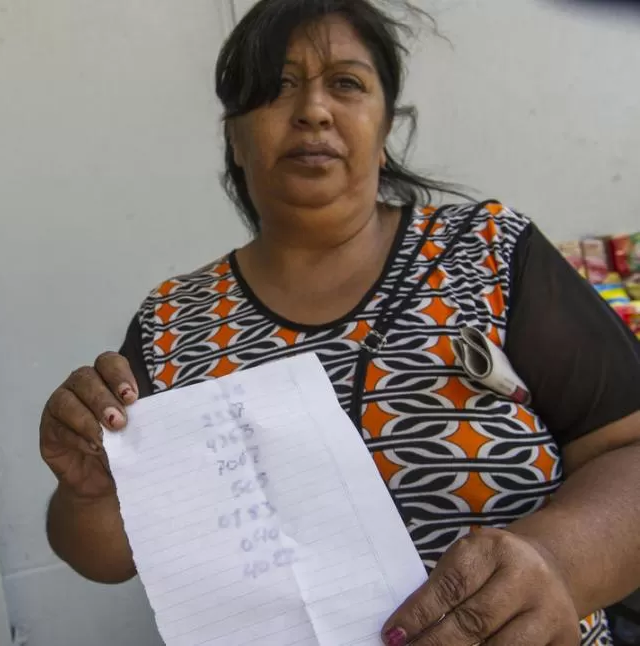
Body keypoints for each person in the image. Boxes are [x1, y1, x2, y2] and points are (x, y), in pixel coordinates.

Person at [39, 1, 640, 644]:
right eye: (278, 88)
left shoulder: (488, 249)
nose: (313, 111)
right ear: (234, 138)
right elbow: (109, 556)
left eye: (347, 83)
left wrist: (556, 561)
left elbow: (627, 449)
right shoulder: (171, 322)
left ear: (384, 130)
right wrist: (91, 494)